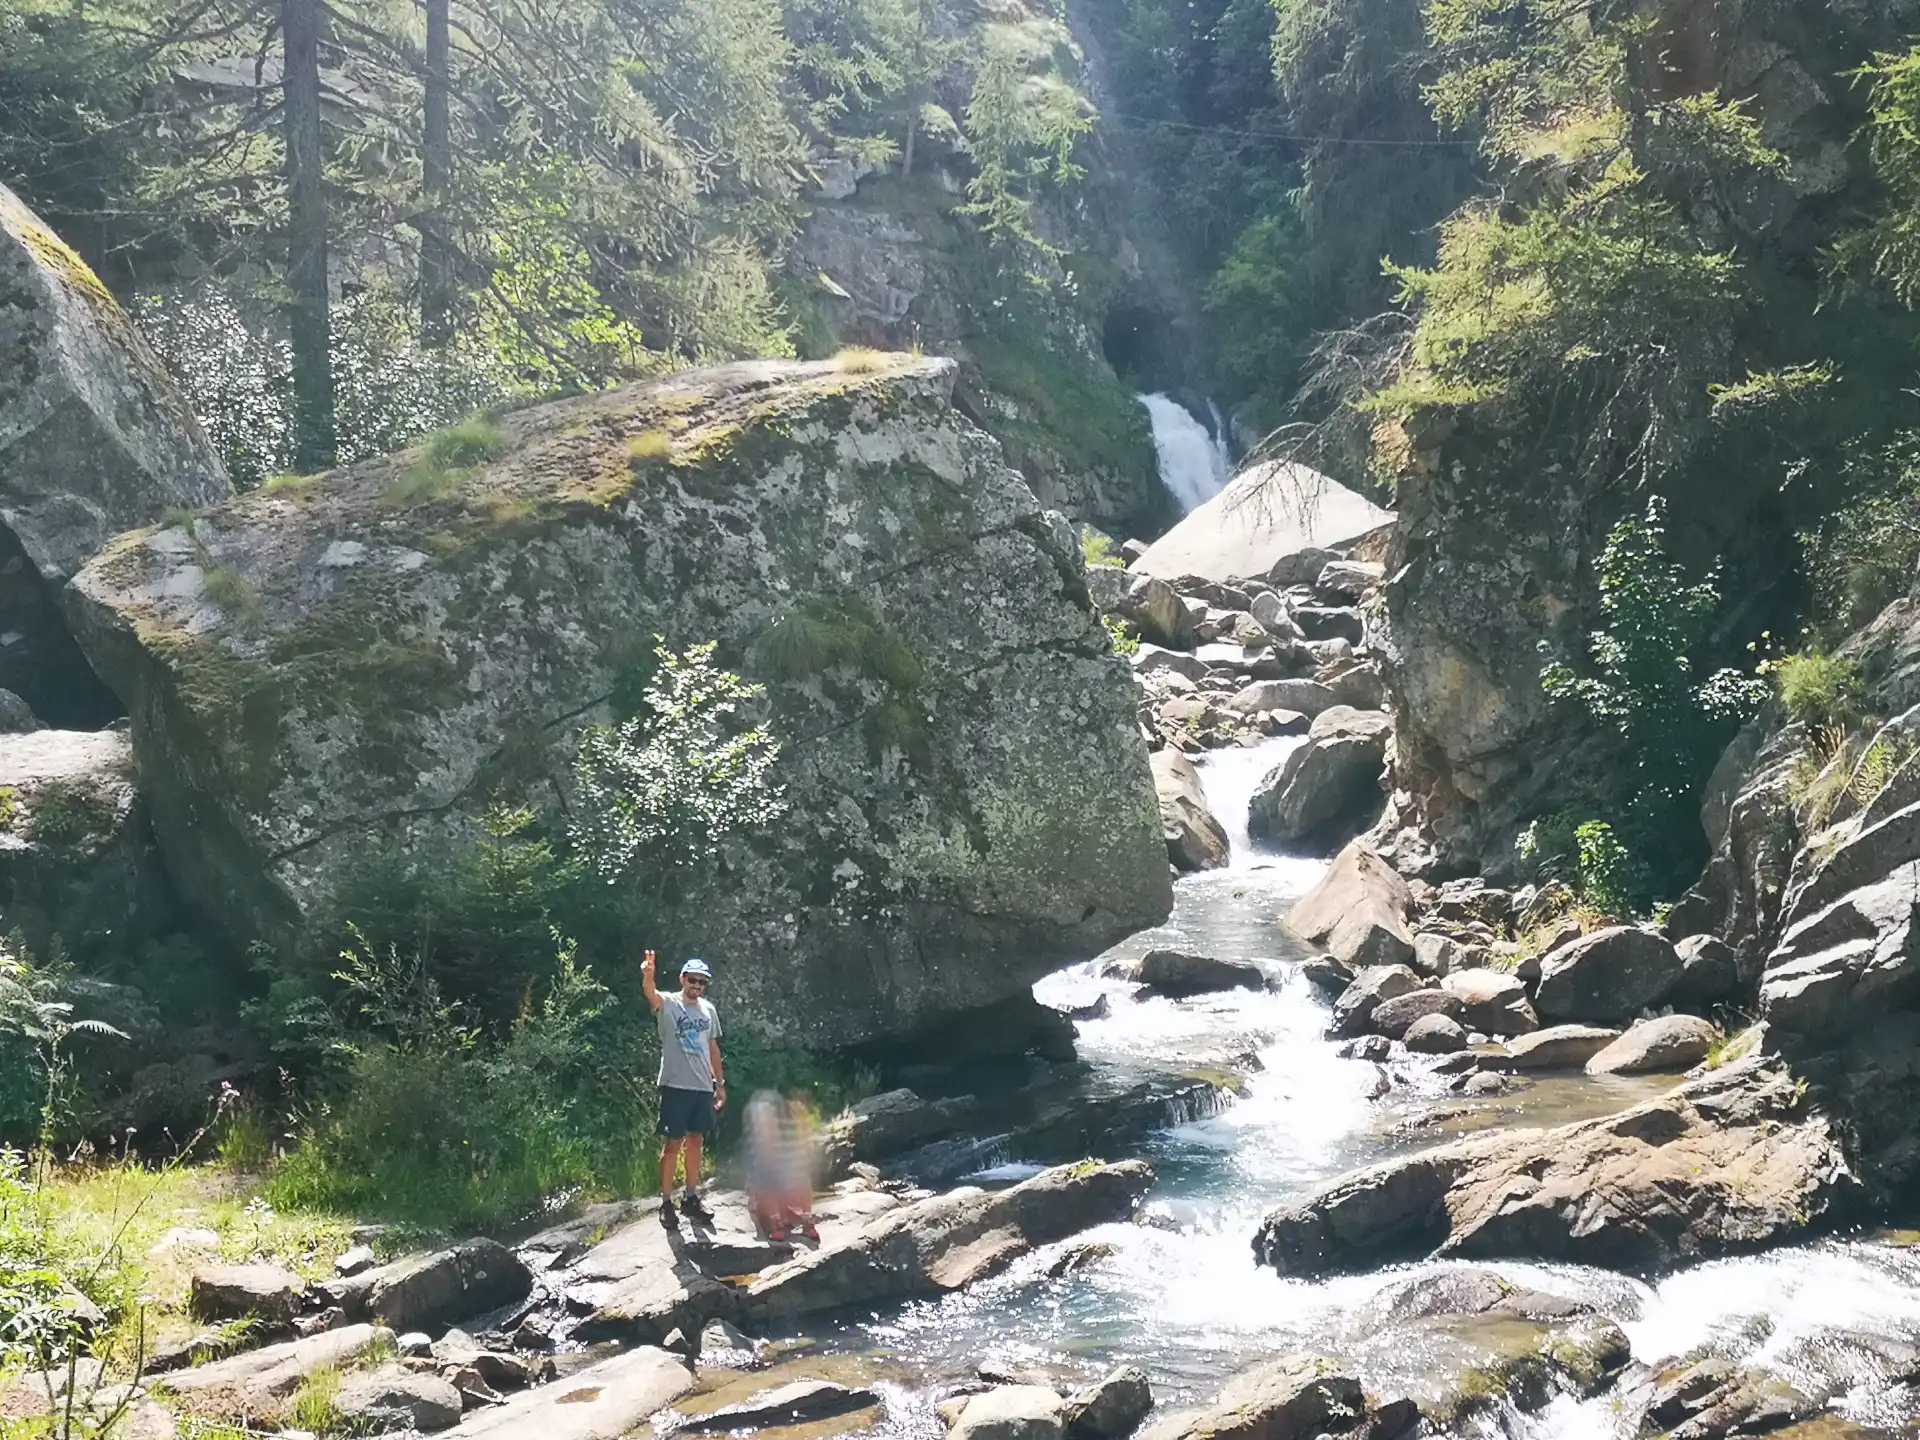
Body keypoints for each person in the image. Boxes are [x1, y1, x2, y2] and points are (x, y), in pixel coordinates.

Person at [641, 950, 726, 1229]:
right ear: (682, 978)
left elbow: (713, 1048)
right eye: (693, 980)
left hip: (702, 1086)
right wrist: (648, 975)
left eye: (702, 982)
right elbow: (650, 993)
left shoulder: (709, 1010)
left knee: (696, 1142)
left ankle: (691, 1197)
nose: (697, 986)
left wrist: (720, 1084)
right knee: (671, 1145)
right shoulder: (668, 1002)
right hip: (675, 1085)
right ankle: (666, 1201)